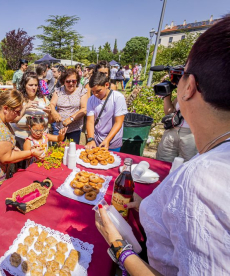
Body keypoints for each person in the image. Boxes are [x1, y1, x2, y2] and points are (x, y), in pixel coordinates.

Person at [95, 16, 230, 275]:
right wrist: (145, 204)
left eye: (180, 74)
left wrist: (118, 247)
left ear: (189, 87)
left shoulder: (202, 180)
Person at [85, 72, 127, 151]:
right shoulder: (91, 100)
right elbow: (90, 121)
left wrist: (107, 140)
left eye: (98, 91)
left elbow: (118, 122)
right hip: (96, 140)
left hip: (113, 141)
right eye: (92, 91)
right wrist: (91, 139)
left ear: (106, 85)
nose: (95, 94)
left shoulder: (118, 97)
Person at [155, 89, 197, 162]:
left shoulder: (205, 90)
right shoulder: (184, 87)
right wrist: (167, 95)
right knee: (163, 162)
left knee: (186, 165)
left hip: (190, 134)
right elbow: (170, 112)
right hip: (172, 131)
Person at [11, 71, 51, 147]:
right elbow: (12, 119)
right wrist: (25, 107)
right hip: (21, 141)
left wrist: (50, 113)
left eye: (36, 85)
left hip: (41, 142)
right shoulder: (18, 100)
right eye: (31, 85)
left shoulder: (44, 99)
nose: (34, 88)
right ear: (24, 85)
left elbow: (50, 121)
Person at [50, 68, 88, 144]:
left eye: (73, 81)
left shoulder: (81, 91)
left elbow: (84, 109)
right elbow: (52, 104)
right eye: (68, 81)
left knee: (72, 150)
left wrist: (71, 119)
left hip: (75, 128)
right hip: (59, 127)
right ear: (63, 81)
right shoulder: (58, 90)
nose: (71, 83)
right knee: (58, 149)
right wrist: (54, 112)